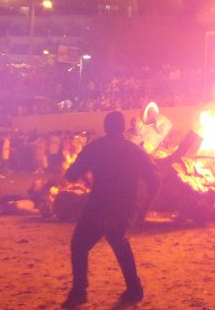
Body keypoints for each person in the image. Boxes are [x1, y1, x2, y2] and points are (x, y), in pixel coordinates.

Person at [61, 111, 160, 308]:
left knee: (79, 245)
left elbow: (72, 175)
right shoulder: (135, 151)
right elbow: (155, 181)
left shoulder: (96, 148)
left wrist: (84, 176)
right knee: (118, 240)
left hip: (99, 205)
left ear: (106, 127)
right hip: (124, 206)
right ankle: (134, 289)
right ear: (123, 128)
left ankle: (79, 291)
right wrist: (143, 209)